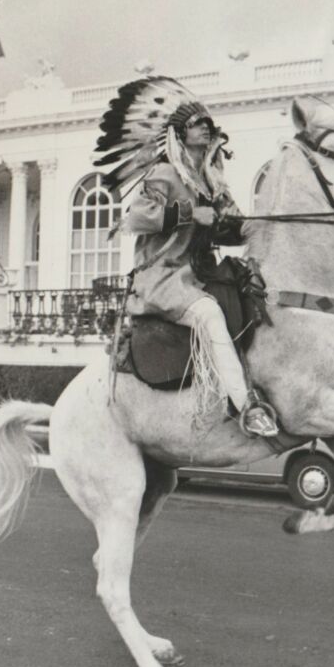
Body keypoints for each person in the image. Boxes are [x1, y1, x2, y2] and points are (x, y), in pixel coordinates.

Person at [94, 77, 278, 437]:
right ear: (180, 134)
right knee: (209, 314)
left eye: (209, 124)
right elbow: (137, 217)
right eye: (198, 124)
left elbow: (231, 230)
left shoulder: (212, 180)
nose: (207, 128)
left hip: (201, 273)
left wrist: (252, 225)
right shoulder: (163, 173)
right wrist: (192, 214)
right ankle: (246, 406)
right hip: (165, 277)